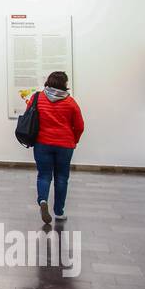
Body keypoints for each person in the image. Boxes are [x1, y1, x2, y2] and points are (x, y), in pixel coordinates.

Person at [31, 71, 84, 224]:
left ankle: (42, 201)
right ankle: (59, 212)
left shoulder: (37, 98)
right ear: (64, 84)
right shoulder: (70, 102)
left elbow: (29, 115)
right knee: (61, 177)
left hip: (42, 143)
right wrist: (75, 140)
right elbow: (80, 126)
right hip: (65, 145)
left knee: (44, 175)